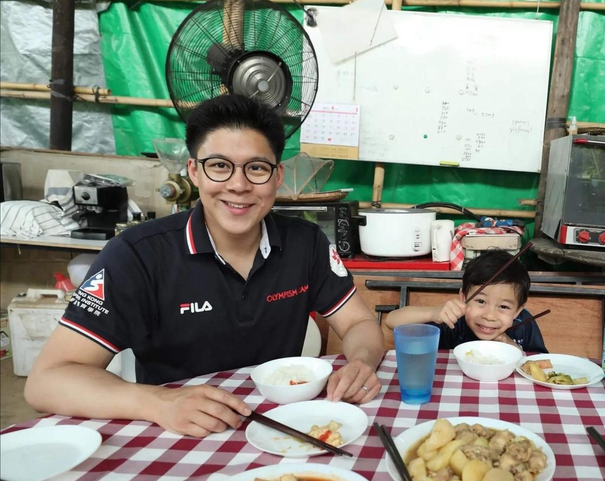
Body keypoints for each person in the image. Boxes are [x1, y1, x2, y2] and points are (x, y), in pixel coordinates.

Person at [24, 95, 386, 437]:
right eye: (219, 167)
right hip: (173, 430)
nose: (239, 185)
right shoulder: (136, 255)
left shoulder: (305, 243)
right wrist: (158, 401)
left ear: (277, 177)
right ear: (194, 172)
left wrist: (361, 361)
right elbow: (48, 380)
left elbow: (358, 322)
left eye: (256, 168)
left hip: (281, 425)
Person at [384, 249, 547, 352]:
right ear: (463, 298)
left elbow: (540, 364)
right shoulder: (454, 321)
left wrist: (512, 348)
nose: (490, 316)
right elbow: (392, 321)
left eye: (503, 306)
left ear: (518, 310)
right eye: (481, 302)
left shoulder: (524, 323)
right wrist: (432, 312)